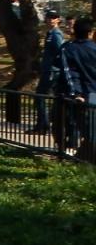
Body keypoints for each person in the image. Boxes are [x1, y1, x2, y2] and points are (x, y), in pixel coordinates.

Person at [60, 16, 96, 159]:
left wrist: (76, 94)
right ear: (90, 32)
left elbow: (70, 73)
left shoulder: (68, 49)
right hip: (92, 93)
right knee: (91, 130)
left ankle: (83, 160)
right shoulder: (93, 48)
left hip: (83, 95)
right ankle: (83, 159)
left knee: (88, 131)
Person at [32, 10, 64, 134]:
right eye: (49, 17)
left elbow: (60, 52)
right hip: (48, 69)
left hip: (52, 70)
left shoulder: (56, 34)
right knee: (47, 96)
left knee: (40, 96)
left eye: (54, 17)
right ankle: (46, 124)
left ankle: (43, 125)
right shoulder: (50, 33)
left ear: (58, 19)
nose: (51, 19)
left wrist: (55, 67)